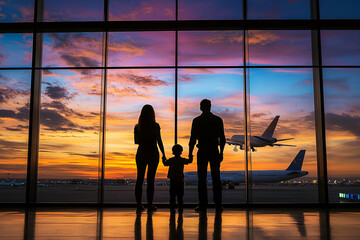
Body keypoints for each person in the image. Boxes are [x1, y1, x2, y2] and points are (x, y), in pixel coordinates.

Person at [188, 99, 225, 212]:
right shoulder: (217, 120)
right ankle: (218, 204)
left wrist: (190, 153)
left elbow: (193, 139)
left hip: (202, 151)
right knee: (216, 179)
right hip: (214, 151)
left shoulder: (197, 121)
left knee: (202, 179)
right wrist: (221, 152)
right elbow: (222, 138)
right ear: (210, 107)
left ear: (200, 107)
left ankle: (203, 204)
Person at [134, 104, 166, 212]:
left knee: (140, 179)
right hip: (153, 152)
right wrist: (164, 154)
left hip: (142, 152)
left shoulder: (137, 127)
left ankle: (139, 205)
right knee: (151, 180)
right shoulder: (155, 126)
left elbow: (136, 142)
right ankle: (150, 204)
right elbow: (159, 141)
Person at [162, 144, 192, 212]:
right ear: (181, 151)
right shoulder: (182, 160)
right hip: (180, 180)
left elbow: (165, 163)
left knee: (172, 196)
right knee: (180, 196)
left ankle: (172, 208)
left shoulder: (171, 160)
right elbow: (189, 161)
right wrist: (190, 155)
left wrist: (163, 158)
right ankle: (180, 208)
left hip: (173, 180)